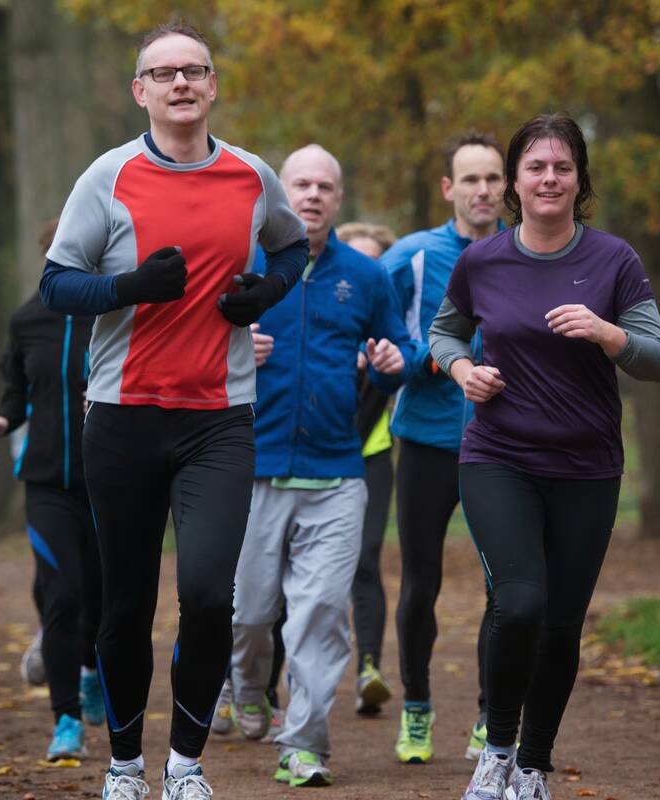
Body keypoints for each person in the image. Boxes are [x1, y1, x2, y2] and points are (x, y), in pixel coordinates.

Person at [38, 22, 308, 800]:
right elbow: (58, 285)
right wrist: (126, 290)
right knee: (125, 602)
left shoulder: (252, 176)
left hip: (219, 418)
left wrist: (267, 291)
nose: (181, 84)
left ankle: (184, 766)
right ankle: (124, 766)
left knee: (205, 594)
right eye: (165, 74)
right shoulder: (108, 176)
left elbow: (289, 250)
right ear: (141, 91)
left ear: (213, 84)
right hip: (122, 415)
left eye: (195, 70)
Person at [429, 113, 660, 800]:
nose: (549, 178)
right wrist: (459, 372)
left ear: (579, 180)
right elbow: (444, 335)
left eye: (562, 167)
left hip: (587, 466)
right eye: (535, 167)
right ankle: (496, 752)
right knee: (521, 602)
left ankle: (533, 767)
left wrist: (607, 333)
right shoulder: (482, 261)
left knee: (562, 623)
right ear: (515, 181)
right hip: (498, 455)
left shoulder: (614, 261)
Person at [229, 145, 411, 787]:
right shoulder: (242, 263)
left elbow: (403, 348)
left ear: (338, 197)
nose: (312, 195)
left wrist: (395, 363)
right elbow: (187, 343)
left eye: (325, 186)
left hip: (337, 474)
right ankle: (248, 686)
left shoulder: (364, 277)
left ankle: (304, 743)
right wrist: (229, 349)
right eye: (301, 184)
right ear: (281, 191)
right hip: (250, 466)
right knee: (250, 613)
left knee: (320, 613)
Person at [381, 132, 506, 763]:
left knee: (502, 587)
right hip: (427, 443)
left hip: (504, 447)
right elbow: (377, 343)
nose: (482, 191)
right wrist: (417, 361)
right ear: (448, 189)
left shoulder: (526, 253)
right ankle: (417, 710)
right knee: (419, 587)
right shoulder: (412, 257)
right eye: (471, 179)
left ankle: (491, 718)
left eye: (492, 179)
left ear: (505, 186)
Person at [0, 217, 105, 762]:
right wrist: (1, 422)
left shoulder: (116, 315)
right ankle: (66, 720)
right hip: (47, 480)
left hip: (109, 483)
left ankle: (93, 669)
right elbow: (14, 391)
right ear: (49, 255)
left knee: (102, 602)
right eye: (62, 248)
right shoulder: (28, 319)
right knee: (62, 596)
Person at [337, 221, 400, 715]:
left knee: (365, 559)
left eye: (374, 260)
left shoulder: (389, 322)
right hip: (314, 455)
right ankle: (266, 685)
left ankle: (370, 670)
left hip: (371, 455)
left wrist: (377, 365)